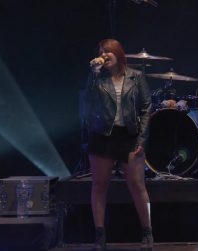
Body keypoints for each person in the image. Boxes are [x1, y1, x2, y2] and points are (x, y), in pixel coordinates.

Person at [82, 38, 153, 251]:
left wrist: (141, 139)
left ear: (118, 53)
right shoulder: (98, 78)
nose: (104, 55)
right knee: (100, 185)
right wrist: (93, 74)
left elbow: (146, 107)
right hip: (102, 135)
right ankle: (100, 235)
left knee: (137, 185)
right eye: (101, 52)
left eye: (107, 52)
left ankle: (147, 232)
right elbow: (89, 102)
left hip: (128, 136)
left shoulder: (135, 76)